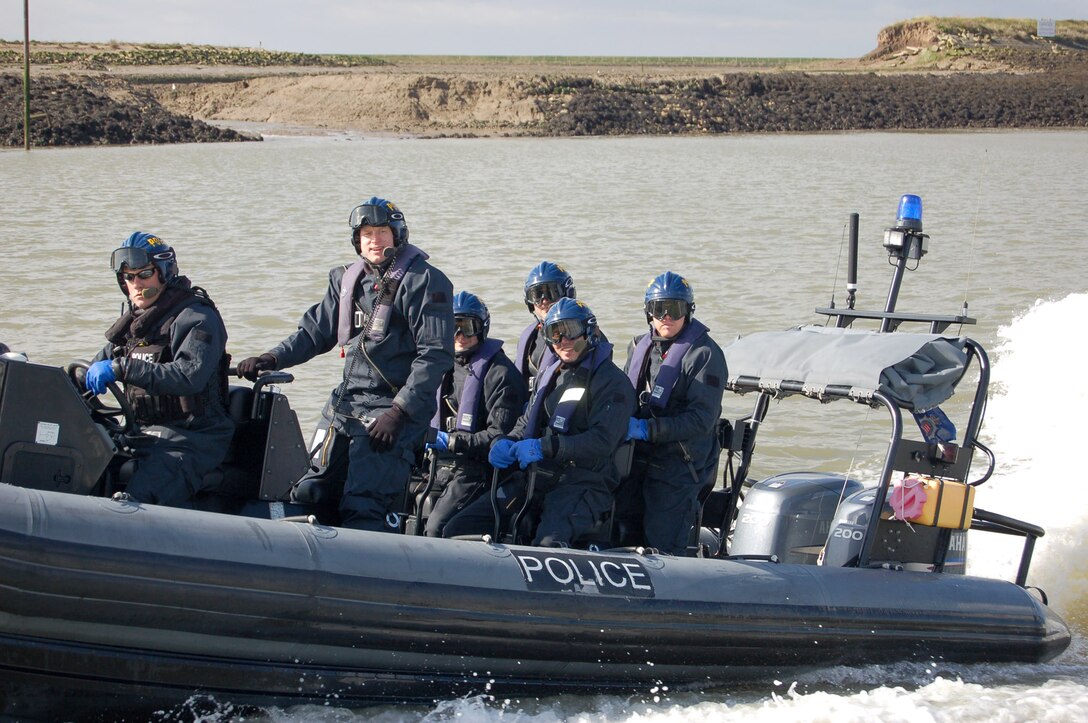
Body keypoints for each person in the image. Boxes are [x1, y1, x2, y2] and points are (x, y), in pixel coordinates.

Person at [235, 197, 454, 531]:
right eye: (367, 233)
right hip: (345, 403)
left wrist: (399, 412)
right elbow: (313, 332)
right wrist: (272, 357)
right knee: (311, 489)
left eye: (382, 232)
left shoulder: (425, 282)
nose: (375, 240)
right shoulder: (346, 281)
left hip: (390, 410)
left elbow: (435, 356)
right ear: (357, 240)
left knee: (363, 504)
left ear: (398, 234)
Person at [443, 297, 634, 547]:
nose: (563, 341)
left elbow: (602, 441)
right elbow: (526, 421)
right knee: (458, 527)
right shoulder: (550, 372)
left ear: (589, 331)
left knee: (547, 544)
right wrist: (507, 441)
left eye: (571, 331)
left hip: (583, 483)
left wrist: (544, 447)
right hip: (538, 477)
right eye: (556, 333)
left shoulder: (613, 383)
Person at [84, 231, 233, 507]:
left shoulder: (198, 318)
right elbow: (93, 367)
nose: (136, 284)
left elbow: (190, 375)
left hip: (191, 440)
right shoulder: (135, 324)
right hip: (141, 434)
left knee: (134, 501)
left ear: (163, 273)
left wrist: (123, 368)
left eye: (144, 275)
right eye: (129, 278)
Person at [618, 271, 726, 555]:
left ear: (688, 312)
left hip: (680, 464)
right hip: (637, 459)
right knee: (616, 522)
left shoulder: (704, 355)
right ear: (648, 313)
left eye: (674, 309)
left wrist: (648, 430)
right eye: (658, 309)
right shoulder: (639, 346)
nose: (666, 316)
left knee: (662, 538)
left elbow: (702, 419)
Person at [422, 291, 528, 538]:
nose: (459, 336)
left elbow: (499, 435)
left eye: (467, 327)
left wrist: (452, 441)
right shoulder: (441, 365)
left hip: (477, 468)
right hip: (440, 463)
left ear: (481, 329)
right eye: (452, 327)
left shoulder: (501, 374)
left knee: (437, 527)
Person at [514, 261, 577, 390]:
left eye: (551, 292)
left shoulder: (584, 334)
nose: (544, 301)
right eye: (537, 295)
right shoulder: (530, 337)